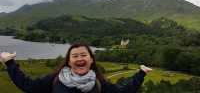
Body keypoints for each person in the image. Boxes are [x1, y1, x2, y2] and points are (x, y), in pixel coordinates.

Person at [0, 43, 152, 93]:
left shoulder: (99, 83)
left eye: (83, 55)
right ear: (69, 61)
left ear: (91, 60)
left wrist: (141, 73)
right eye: (75, 56)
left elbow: (122, 92)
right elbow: (28, 85)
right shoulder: (55, 79)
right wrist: (10, 63)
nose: (80, 58)